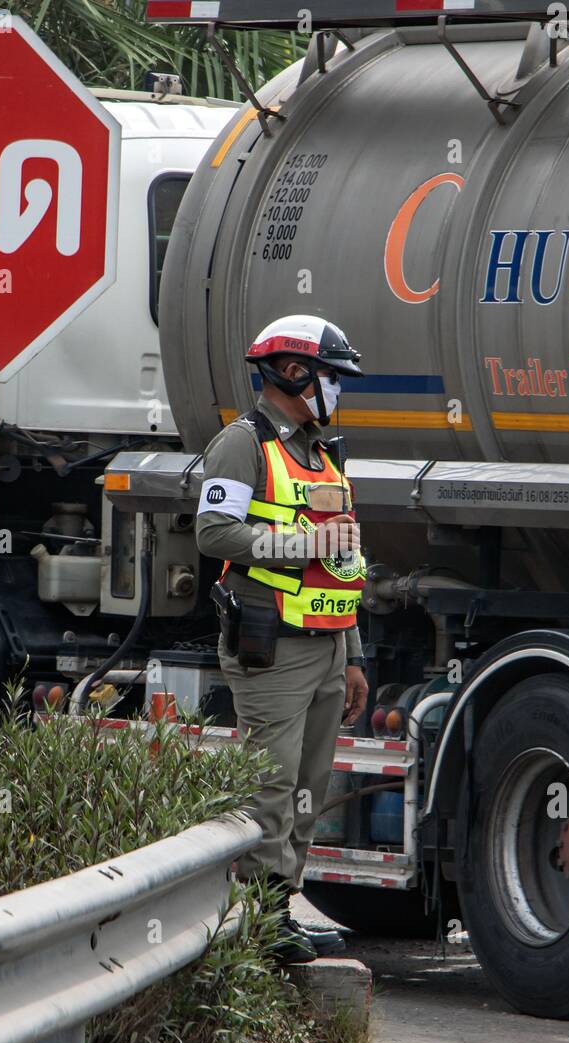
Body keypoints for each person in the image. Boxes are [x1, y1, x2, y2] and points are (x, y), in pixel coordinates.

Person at [196, 314, 370, 963]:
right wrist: (299, 544)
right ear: (292, 374)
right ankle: (264, 923)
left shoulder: (321, 452)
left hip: (326, 645)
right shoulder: (242, 444)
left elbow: (344, 559)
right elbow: (214, 532)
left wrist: (353, 656)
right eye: (332, 377)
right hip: (273, 646)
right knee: (273, 785)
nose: (338, 391)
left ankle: (281, 906)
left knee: (309, 784)